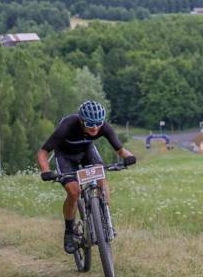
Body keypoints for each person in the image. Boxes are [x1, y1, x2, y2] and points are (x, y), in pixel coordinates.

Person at [37, 101, 136, 253]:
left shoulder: (103, 127)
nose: (95, 128)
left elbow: (121, 151)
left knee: (101, 178)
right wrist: (45, 170)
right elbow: (43, 152)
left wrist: (129, 157)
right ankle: (69, 233)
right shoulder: (68, 125)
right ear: (81, 120)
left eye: (98, 123)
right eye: (90, 124)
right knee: (74, 192)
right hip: (65, 156)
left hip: (87, 151)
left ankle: (105, 220)